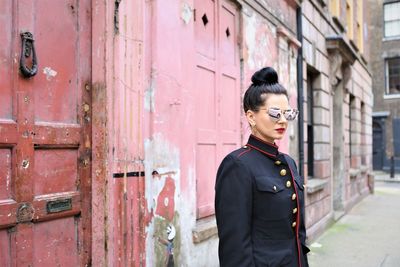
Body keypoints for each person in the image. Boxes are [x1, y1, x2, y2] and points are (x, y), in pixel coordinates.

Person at [215, 67, 310, 267]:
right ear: (251, 117)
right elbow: (235, 247)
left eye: (287, 113)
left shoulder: (289, 162)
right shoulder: (237, 164)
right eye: (275, 113)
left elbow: (297, 233)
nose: (283, 120)